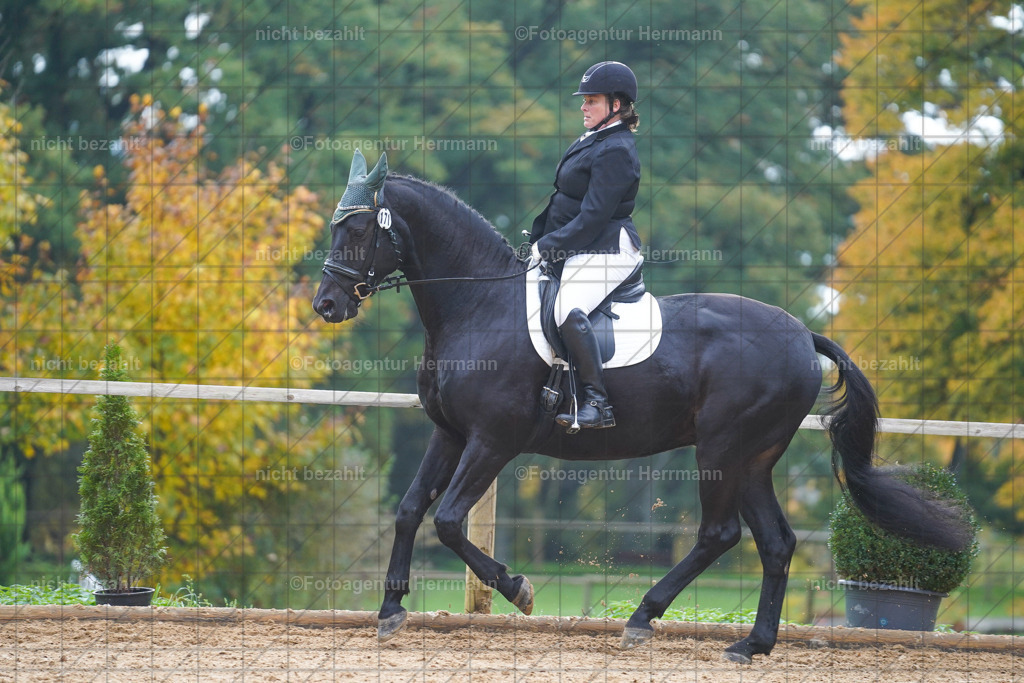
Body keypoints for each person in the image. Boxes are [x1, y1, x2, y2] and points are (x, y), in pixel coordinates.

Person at [529, 61, 643, 431]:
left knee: (568, 308)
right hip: (582, 245)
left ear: (616, 105)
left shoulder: (616, 149)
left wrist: (548, 246)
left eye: (591, 100)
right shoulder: (594, 139)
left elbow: (593, 217)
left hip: (608, 248)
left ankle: (597, 403)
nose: (583, 106)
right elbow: (563, 199)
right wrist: (538, 240)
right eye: (585, 100)